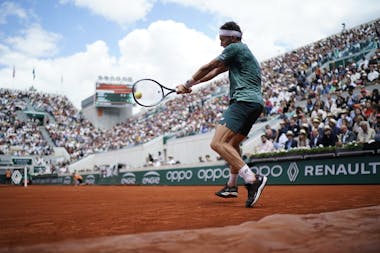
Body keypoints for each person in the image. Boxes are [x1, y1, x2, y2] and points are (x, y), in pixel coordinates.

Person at [176, 21, 267, 208]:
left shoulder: (236, 48)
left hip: (243, 101)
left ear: (233, 37)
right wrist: (190, 87)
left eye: (222, 39)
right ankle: (232, 185)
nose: (220, 44)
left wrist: (186, 84)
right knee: (233, 144)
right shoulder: (241, 54)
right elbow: (215, 72)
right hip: (255, 104)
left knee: (217, 143)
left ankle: (252, 179)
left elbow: (208, 66)